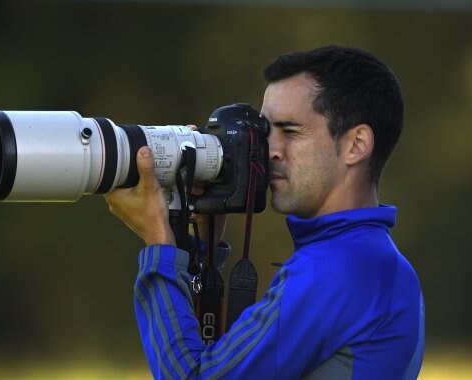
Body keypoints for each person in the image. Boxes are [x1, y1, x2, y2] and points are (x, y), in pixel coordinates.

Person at [105, 45, 425, 379]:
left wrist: (158, 243)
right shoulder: (377, 262)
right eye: (265, 132)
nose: (268, 150)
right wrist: (202, 244)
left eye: (290, 131)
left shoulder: (336, 269)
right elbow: (221, 363)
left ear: (356, 144)